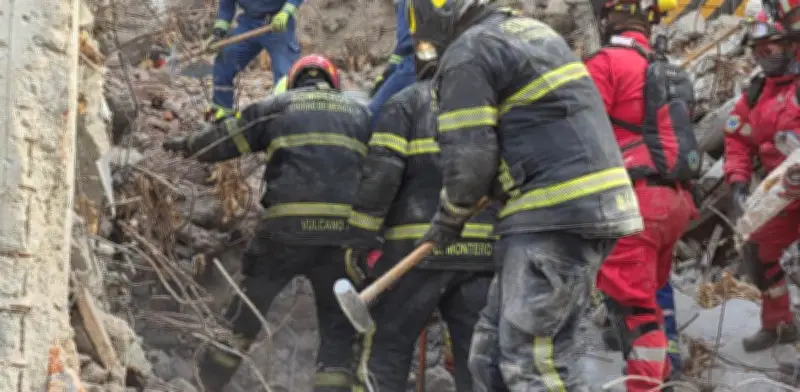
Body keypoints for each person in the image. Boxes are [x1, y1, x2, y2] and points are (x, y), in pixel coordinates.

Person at [404, 0, 644, 389]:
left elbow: (469, 160)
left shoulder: (468, 53)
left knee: (531, 364)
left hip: (553, 214)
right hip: (575, 210)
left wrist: (448, 217)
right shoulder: (532, 33)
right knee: (490, 355)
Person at [162, 54, 372, 392]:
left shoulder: (277, 106)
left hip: (283, 235)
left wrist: (185, 145)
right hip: (340, 238)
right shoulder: (361, 113)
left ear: (292, 81)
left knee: (245, 314)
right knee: (338, 328)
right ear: (332, 82)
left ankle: (205, 384)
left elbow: (223, 140)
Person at [345, 47, 495, 392]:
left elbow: (381, 178)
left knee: (386, 351)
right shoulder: (488, 106)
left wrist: (360, 240)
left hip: (417, 253)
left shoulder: (405, 103)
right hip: (480, 254)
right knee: (478, 361)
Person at [585, 0, 702, 389]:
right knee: (649, 297)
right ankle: (663, 374)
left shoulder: (606, 63)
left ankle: (646, 384)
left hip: (636, 202)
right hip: (675, 201)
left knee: (635, 310)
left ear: (609, 17)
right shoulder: (668, 67)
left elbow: (582, 133)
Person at [722, 10, 799, 352]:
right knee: (756, 247)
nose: (766, 58)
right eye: (759, 52)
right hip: (782, 193)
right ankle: (779, 324)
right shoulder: (756, 93)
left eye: (773, 49)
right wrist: (738, 181)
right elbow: (737, 138)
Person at [206, 0, 303, 121]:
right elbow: (226, 6)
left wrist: (286, 12)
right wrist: (218, 33)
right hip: (248, 22)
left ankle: (286, 117)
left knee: (286, 75)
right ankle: (223, 114)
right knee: (225, 60)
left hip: (277, 22)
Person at [367, 0, 418, 126]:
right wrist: (385, 77)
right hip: (420, 63)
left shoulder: (407, 3)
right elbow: (400, 53)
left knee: (372, 114)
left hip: (415, 66)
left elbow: (407, 45)